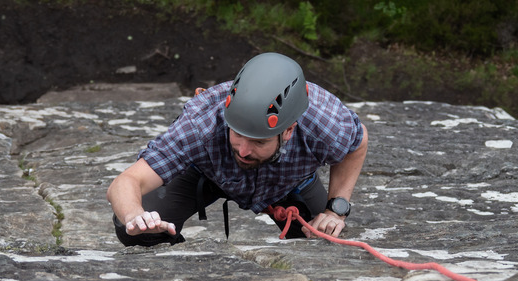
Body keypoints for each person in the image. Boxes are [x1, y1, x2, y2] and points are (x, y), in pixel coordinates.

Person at [106, 52, 368, 246]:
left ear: (288, 131)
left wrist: (336, 210)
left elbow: (357, 143)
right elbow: (127, 181)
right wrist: (134, 215)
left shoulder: (325, 123)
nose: (243, 150)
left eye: (259, 141)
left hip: (290, 183)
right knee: (136, 232)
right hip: (206, 173)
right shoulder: (202, 123)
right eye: (238, 134)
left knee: (324, 239)